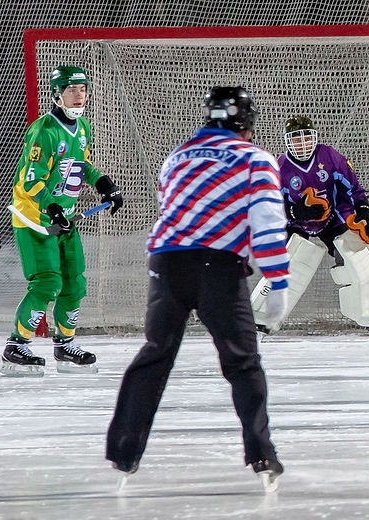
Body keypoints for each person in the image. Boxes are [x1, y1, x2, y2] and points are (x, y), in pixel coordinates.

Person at [105, 87, 290, 490]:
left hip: (167, 263)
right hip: (218, 267)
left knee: (155, 354)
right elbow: (267, 222)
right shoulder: (255, 159)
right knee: (242, 363)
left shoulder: (178, 156)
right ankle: (261, 454)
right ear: (246, 122)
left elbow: (169, 207)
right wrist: (277, 279)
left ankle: (123, 453)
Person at [2, 66, 124, 376]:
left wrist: (104, 184)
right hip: (36, 219)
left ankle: (65, 345)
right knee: (47, 283)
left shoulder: (82, 126)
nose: (79, 95)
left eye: (82, 89)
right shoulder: (44, 131)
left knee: (74, 283)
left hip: (65, 218)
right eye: (71, 89)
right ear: (57, 94)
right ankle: (16, 346)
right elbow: (31, 179)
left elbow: (81, 165)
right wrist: (52, 208)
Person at [250, 115, 369, 333]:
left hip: (333, 218)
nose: (302, 143)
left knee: (359, 259)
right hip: (297, 224)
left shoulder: (330, 157)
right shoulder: (279, 168)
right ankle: (263, 317)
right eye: (296, 139)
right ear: (287, 141)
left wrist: (363, 208)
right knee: (289, 264)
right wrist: (295, 211)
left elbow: (353, 187)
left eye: (306, 137)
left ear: (314, 137)